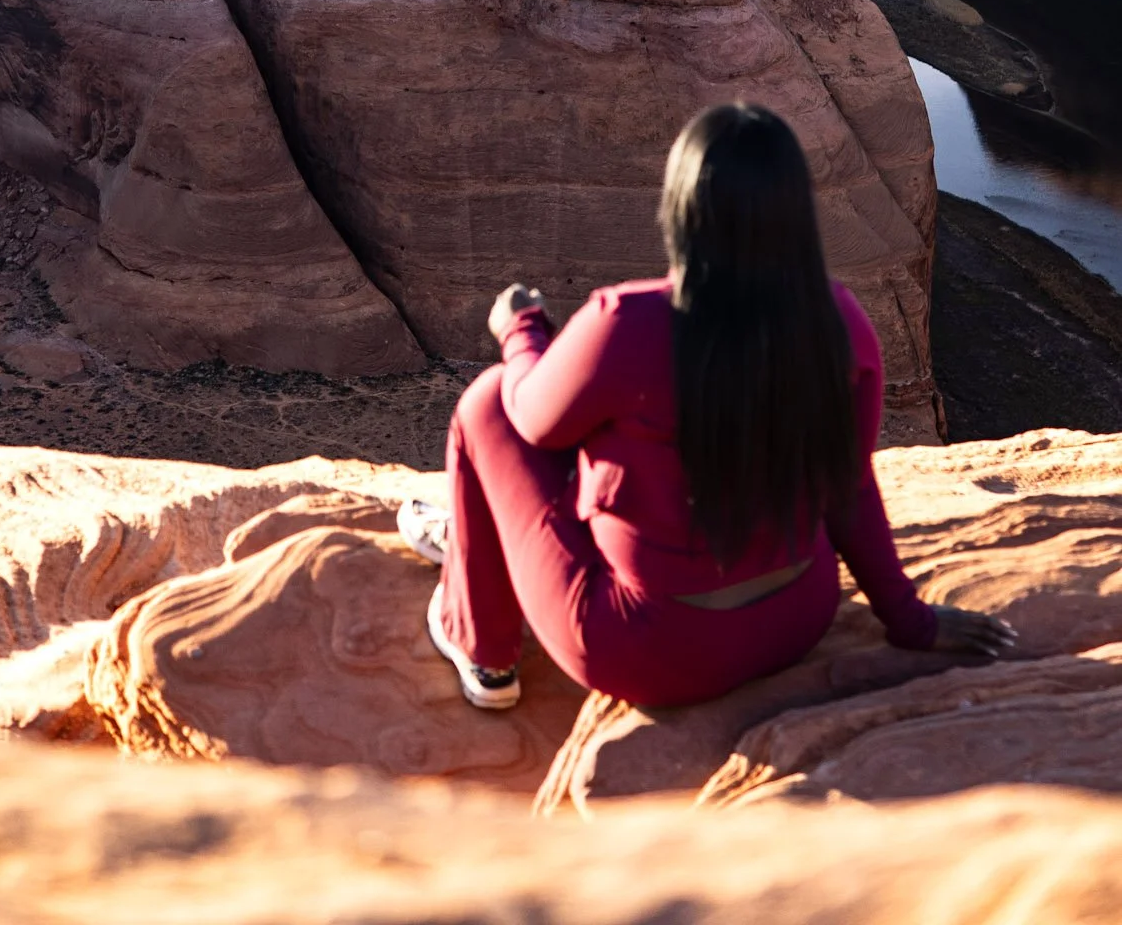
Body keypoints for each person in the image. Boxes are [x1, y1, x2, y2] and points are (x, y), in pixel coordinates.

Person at [399, 102, 1015, 710]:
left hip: (647, 651)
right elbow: (849, 489)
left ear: (682, 209)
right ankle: (481, 549)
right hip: (794, 623)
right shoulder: (838, 321)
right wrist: (911, 622)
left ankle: (482, 647)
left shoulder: (626, 325)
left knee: (487, 405)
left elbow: (531, 417)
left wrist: (522, 330)